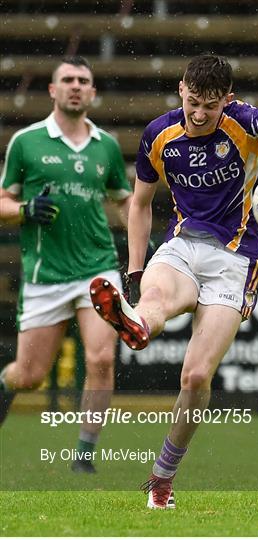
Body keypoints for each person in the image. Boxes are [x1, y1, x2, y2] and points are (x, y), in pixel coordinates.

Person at [90, 54, 258, 506]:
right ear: (182, 88)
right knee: (155, 298)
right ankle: (136, 321)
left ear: (229, 100)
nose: (199, 114)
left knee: (196, 376)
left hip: (235, 259)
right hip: (182, 244)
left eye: (211, 106)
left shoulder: (249, 123)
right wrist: (136, 271)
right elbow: (139, 206)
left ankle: (162, 479)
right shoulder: (159, 134)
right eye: (194, 102)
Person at [0, 56, 132, 473]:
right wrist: (23, 209)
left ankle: (84, 456)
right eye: (68, 80)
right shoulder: (27, 141)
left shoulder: (106, 146)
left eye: (84, 81)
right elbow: (2, 201)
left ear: (92, 93)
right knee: (28, 376)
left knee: (101, 360)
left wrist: (147, 248)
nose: (76, 86)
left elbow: (124, 200)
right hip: (46, 274)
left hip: (98, 265)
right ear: (53, 91)